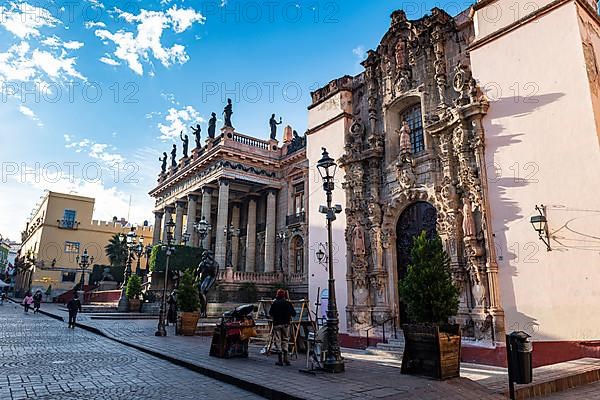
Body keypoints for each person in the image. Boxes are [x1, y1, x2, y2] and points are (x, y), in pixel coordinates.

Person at [269, 289, 296, 366]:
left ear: (277, 295)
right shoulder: (288, 303)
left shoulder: (275, 303)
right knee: (285, 340)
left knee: (278, 340)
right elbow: (293, 313)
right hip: (286, 324)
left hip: (277, 324)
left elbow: (270, 313)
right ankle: (286, 359)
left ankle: (280, 360)